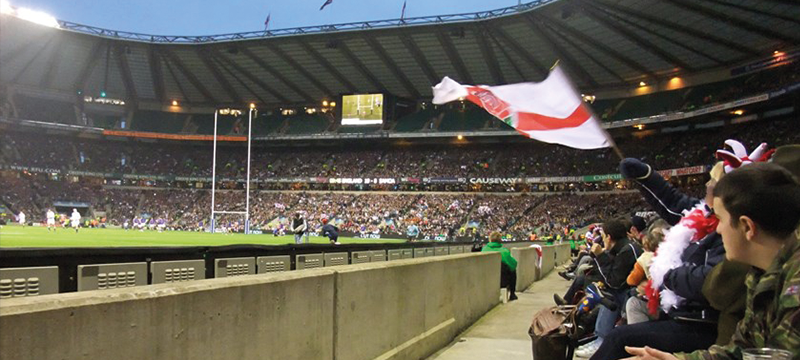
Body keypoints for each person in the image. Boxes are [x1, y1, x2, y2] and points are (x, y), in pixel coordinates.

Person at [624, 163, 800, 360]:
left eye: (721, 220)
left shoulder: (794, 281)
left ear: (747, 227)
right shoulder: (761, 274)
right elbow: (739, 351)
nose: (717, 230)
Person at [573, 219, 642, 357]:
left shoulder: (626, 251)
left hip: (634, 296)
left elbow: (614, 282)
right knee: (599, 289)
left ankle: (601, 338)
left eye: (603, 237)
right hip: (632, 292)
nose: (602, 240)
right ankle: (594, 333)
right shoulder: (625, 247)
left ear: (609, 237)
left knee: (609, 295)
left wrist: (600, 255)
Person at [482, 231, 518, 301]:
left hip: (487, 278)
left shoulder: (484, 249)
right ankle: (512, 294)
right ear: (500, 240)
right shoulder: (504, 251)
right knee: (512, 271)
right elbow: (514, 264)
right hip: (502, 281)